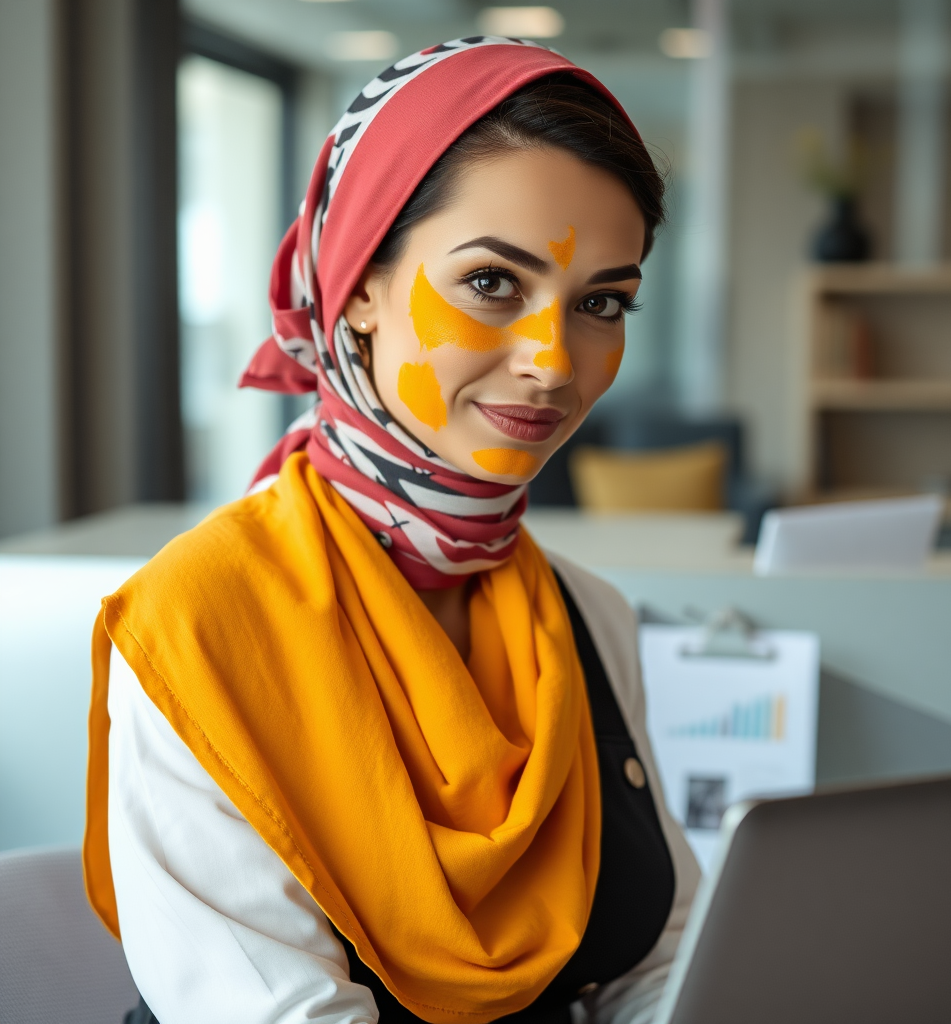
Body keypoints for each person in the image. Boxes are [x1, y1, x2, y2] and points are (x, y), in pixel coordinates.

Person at [83, 36, 701, 1024]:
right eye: (493, 283)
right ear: (359, 283)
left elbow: (655, 964)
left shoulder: (591, 616)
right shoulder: (196, 621)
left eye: (600, 303)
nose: (552, 361)